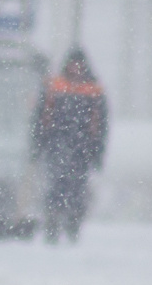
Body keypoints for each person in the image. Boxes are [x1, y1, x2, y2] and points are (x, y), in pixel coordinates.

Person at [30, 49, 108, 243]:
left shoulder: (93, 90)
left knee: (77, 188)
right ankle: (53, 224)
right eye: (73, 63)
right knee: (56, 186)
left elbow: (101, 125)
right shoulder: (54, 87)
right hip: (57, 145)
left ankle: (73, 225)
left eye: (78, 64)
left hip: (82, 149)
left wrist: (97, 151)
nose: (76, 68)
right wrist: (39, 144)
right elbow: (41, 118)